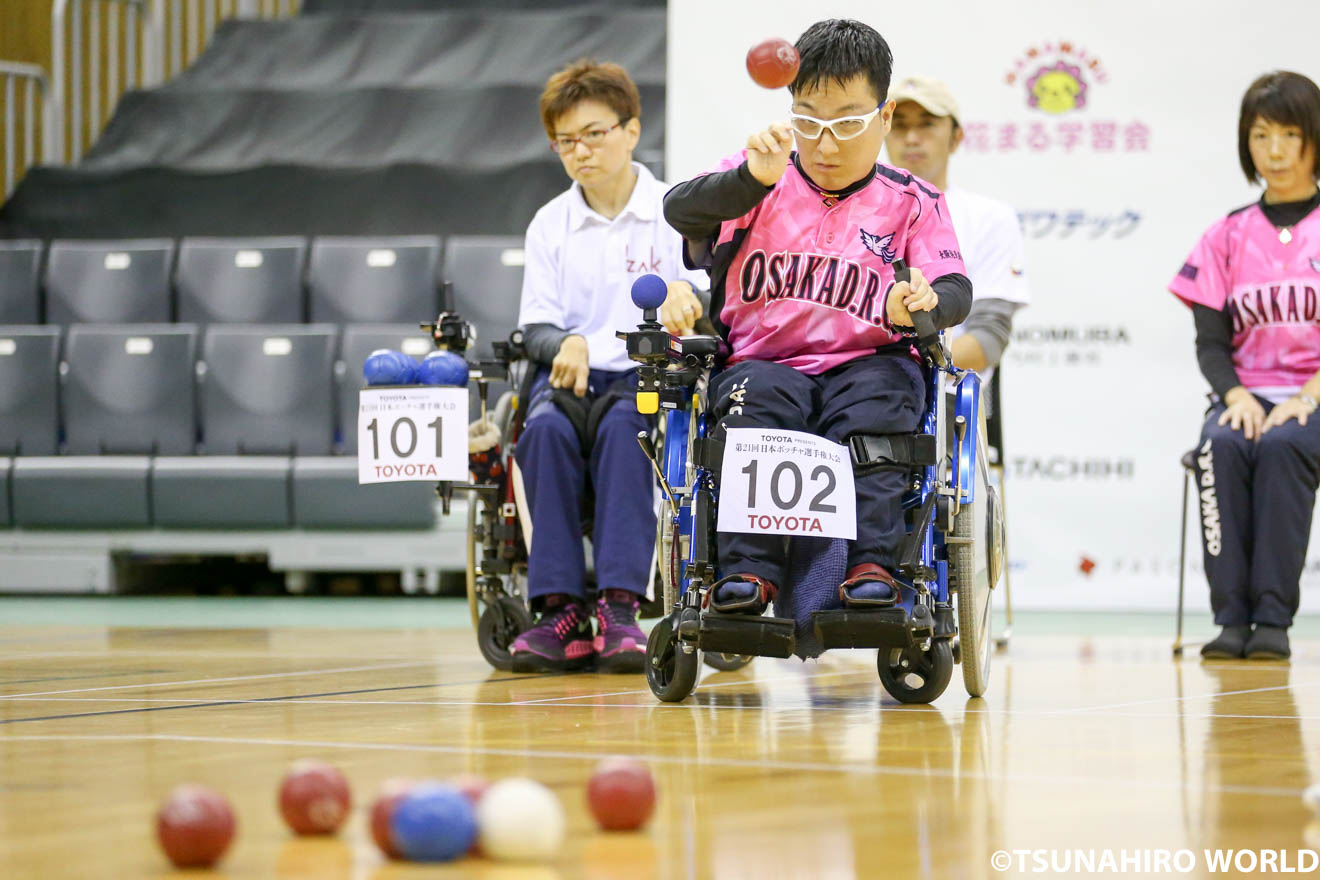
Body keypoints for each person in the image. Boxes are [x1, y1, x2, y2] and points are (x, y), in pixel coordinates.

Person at [664, 19, 972, 613]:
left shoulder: (914, 202)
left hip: (870, 360)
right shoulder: (758, 174)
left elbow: (956, 285)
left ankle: (873, 565)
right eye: (809, 121)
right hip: (762, 361)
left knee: (876, 416)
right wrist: (751, 179)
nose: (827, 145)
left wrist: (926, 302)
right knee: (755, 412)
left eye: (849, 124)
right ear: (790, 113)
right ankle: (749, 572)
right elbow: (682, 209)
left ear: (883, 120)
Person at [510, 59, 708, 672]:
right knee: (540, 432)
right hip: (571, 378)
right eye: (566, 141)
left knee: (631, 433)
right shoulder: (550, 223)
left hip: (645, 378)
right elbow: (534, 326)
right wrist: (561, 343)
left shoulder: (675, 211)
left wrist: (689, 301)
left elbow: (704, 298)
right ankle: (560, 613)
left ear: (630, 130)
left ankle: (621, 608)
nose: (580, 151)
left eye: (594, 134)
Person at [1169, 71, 1320, 661]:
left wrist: (1305, 399)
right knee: (1221, 445)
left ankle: (1273, 622)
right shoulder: (1225, 235)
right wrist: (1234, 396)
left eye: (1289, 133)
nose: (1275, 150)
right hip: (1244, 396)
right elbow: (1211, 344)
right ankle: (1231, 618)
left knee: (1285, 444)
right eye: (1260, 135)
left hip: (1311, 399)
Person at [883, 75, 1030, 382]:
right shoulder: (852, 210)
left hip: (943, 401)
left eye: (927, 124)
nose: (911, 137)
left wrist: (906, 373)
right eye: (899, 125)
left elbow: (989, 336)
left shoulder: (991, 218)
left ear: (956, 136)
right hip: (855, 390)